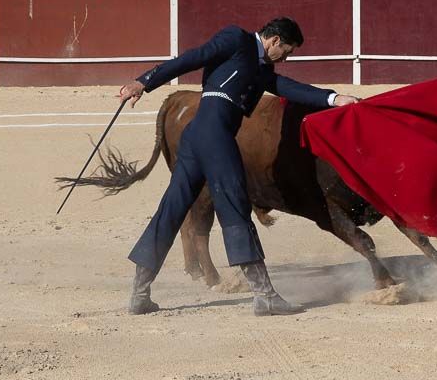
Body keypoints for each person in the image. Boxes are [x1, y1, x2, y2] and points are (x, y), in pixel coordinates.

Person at [119, 17, 359, 316]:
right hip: (215, 133)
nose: (287, 57)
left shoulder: (262, 68)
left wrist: (334, 98)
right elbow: (193, 57)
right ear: (274, 40)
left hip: (197, 135)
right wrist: (145, 81)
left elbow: (287, 87)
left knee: (172, 208)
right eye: (287, 50)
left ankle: (140, 294)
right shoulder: (237, 39)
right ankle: (265, 295)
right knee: (234, 204)